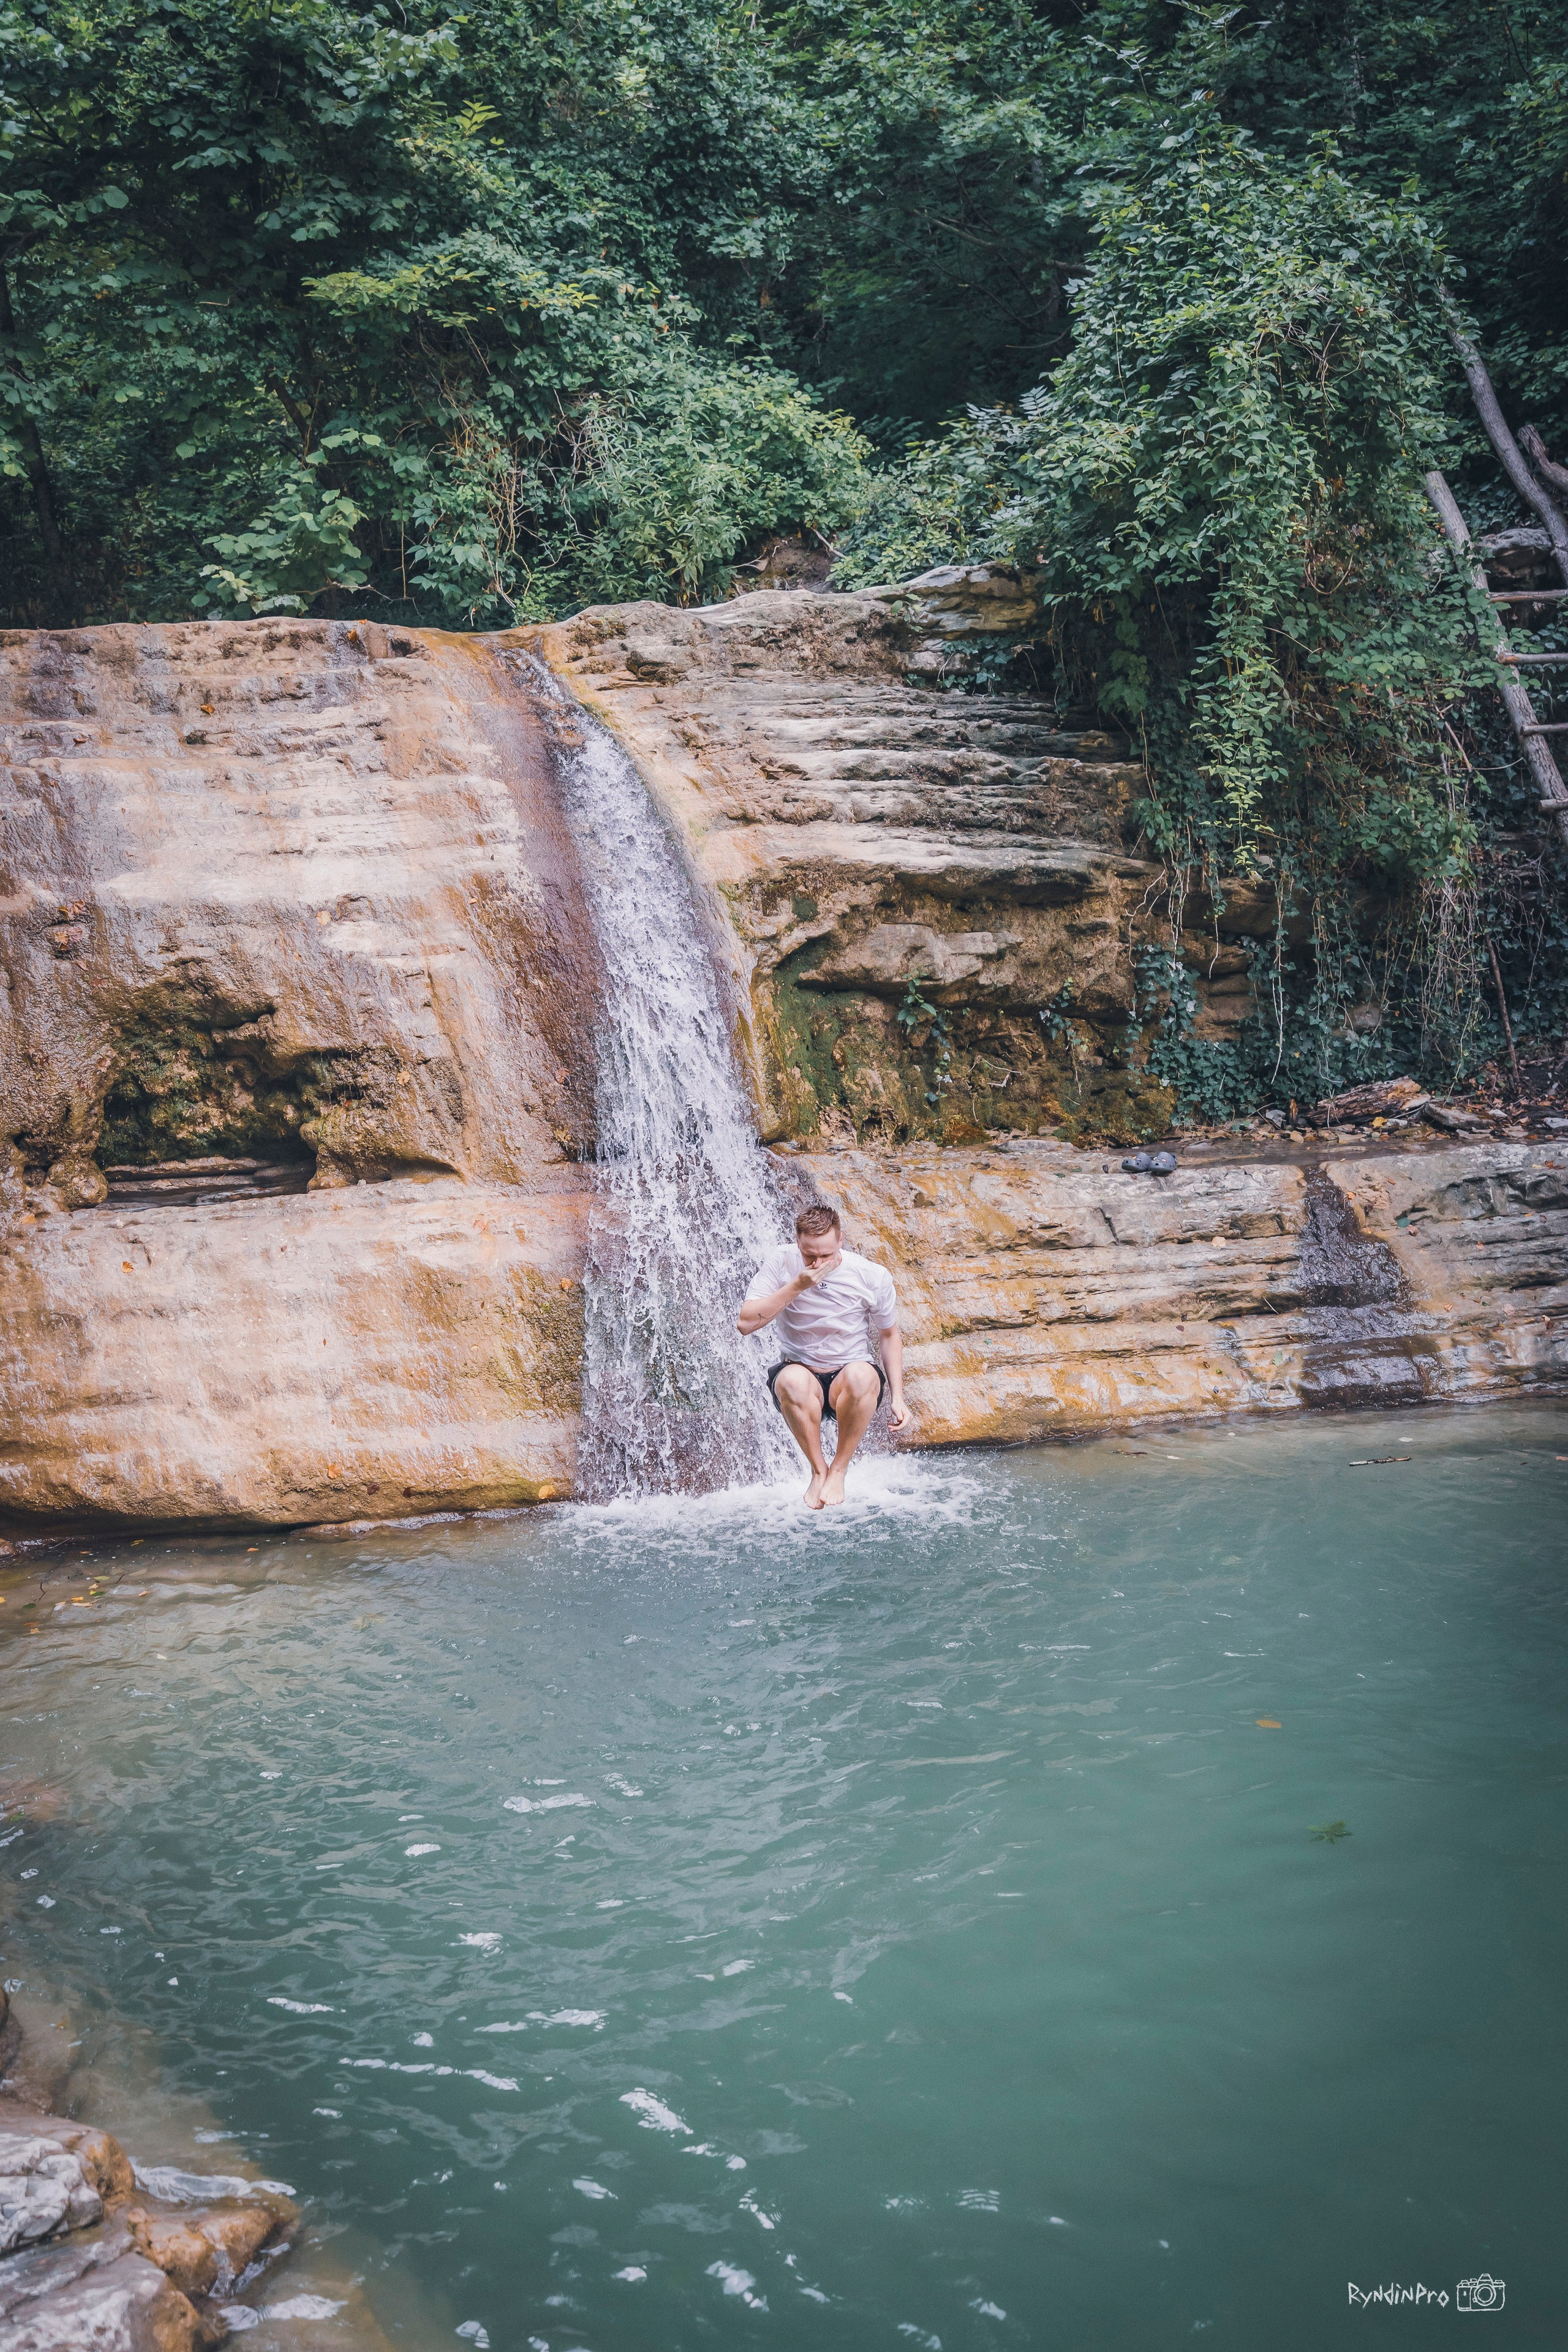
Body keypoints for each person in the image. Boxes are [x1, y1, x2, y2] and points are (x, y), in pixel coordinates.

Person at [738, 1202, 908, 1509]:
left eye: (826, 1255)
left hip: (849, 1374)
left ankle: (839, 1469)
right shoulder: (782, 1261)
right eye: (810, 1255)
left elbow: (889, 1334)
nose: (818, 1263)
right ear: (797, 1241)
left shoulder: (872, 1275)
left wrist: (899, 1397)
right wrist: (797, 1286)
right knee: (791, 1380)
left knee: (861, 1375)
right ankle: (819, 1470)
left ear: (841, 1241)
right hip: (801, 1372)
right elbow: (746, 1323)